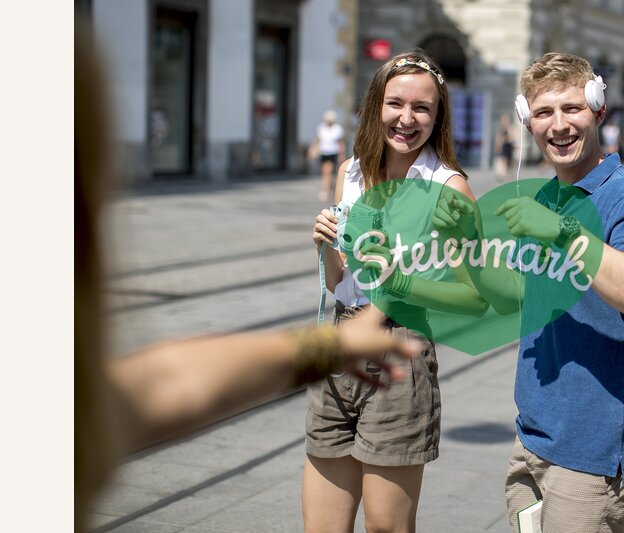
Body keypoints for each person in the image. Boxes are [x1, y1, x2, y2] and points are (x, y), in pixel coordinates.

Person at [75, 26, 420, 532]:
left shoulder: (441, 184)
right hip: (348, 335)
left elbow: (162, 383)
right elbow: (163, 384)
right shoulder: (351, 172)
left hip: (385, 346)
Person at [438, 52, 624, 533]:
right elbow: (514, 296)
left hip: (591, 453)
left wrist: (562, 233)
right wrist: (465, 245)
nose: (559, 125)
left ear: (599, 110)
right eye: (544, 113)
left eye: (572, 109)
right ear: (527, 121)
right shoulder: (546, 197)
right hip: (534, 439)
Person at [306, 50, 487, 533]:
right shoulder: (351, 172)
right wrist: (325, 244)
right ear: (376, 105)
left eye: (422, 108)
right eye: (395, 103)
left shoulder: (449, 188)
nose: (407, 118)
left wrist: (403, 281)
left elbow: (475, 298)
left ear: (437, 116)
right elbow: (336, 281)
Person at [308, 110, 346, 202]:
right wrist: (313, 150)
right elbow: (317, 140)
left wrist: (342, 154)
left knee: (330, 172)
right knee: (326, 171)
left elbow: (341, 142)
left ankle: (327, 189)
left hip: (333, 152)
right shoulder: (321, 127)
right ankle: (328, 189)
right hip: (324, 152)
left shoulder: (337, 128)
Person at [494, 113, 517, 181]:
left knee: (509, 161)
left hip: (509, 146)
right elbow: (498, 138)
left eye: (505, 120)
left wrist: (506, 139)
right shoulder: (501, 129)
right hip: (504, 147)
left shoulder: (510, 128)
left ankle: (510, 174)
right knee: (503, 160)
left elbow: (512, 137)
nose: (504, 121)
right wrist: (497, 145)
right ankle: (500, 174)